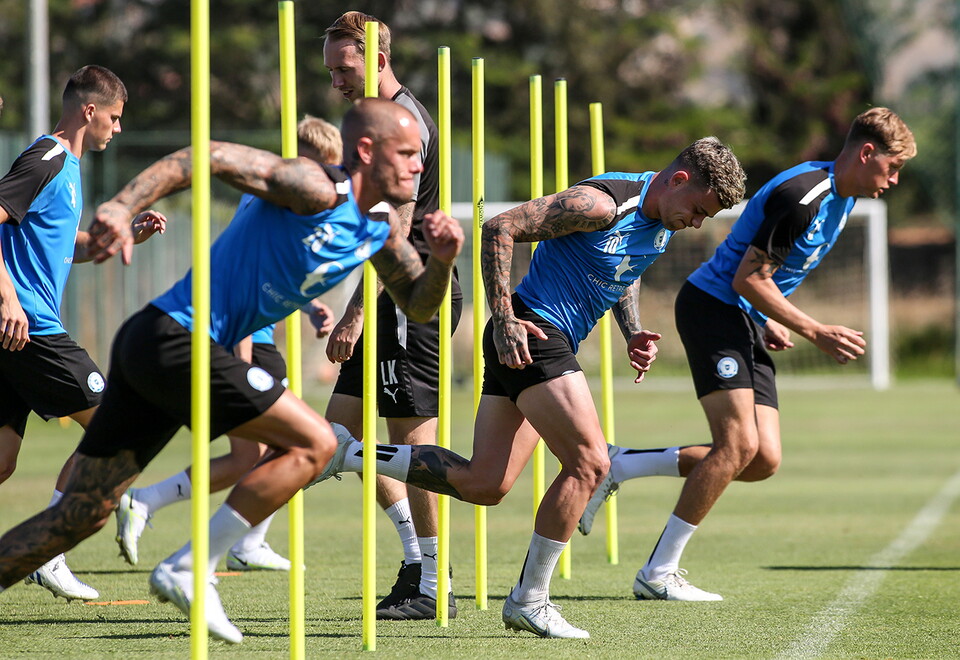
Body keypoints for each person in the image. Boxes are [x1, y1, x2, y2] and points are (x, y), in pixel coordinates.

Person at [0, 98, 463, 645]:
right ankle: (190, 567)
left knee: (80, 516)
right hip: (175, 339)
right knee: (317, 442)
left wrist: (444, 260)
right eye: (407, 153)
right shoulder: (314, 187)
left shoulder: (382, 229)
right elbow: (206, 157)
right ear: (366, 151)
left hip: (156, 347)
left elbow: (419, 306)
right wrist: (123, 206)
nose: (418, 165)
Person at [309, 137, 747, 637]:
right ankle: (529, 600)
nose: (695, 222)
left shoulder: (660, 221)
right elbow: (500, 227)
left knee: (486, 483)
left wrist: (632, 331)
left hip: (538, 342)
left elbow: (629, 266)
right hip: (532, 333)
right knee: (591, 463)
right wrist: (503, 317)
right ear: (679, 180)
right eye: (697, 210)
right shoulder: (600, 202)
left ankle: (348, 454)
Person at [577, 107, 917, 602]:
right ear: (866, 153)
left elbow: (762, 278)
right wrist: (814, 329)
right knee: (736, 446)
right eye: (892, 167)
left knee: (762, 460)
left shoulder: (842, 197)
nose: (894, 180)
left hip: (744, 318)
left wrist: (769, 318)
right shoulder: (802, 197)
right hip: (713, 309)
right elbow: (745, 279)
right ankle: (658, 573)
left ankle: (620, 466)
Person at [114, 115, 341, 572]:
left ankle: (227, 533)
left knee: (268, 451)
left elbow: (274, 270)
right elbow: (247, 272)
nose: (328, 184)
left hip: (255, 334)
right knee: (278, 447)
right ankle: (168, 512)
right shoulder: (270, 197)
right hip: (243, 336)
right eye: (323, 169)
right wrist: (237, 355)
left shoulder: (287, 202)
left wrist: (309, 305)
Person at [0, 65, 165, 601]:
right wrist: (6, 298)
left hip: (17, 330)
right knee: (117, 425)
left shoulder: (70, 169)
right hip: (27, 325)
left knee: (2, 461)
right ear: (89, 111)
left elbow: (62, 246)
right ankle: (49, 549)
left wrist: (114, 236)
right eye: (114, 118)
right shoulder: (46, 157)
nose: (117, 129)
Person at [322, 10, 463, 620]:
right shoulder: (373, 119)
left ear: (377, 57)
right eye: (329, 71)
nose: (336, 81)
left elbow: (397, 234)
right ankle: (417, 563)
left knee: (412, 444)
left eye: (344, 68)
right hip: (386, 297)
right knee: (338, 439)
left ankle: (434, 584)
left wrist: (355, 313)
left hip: (412, 301)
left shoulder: (405, 122)